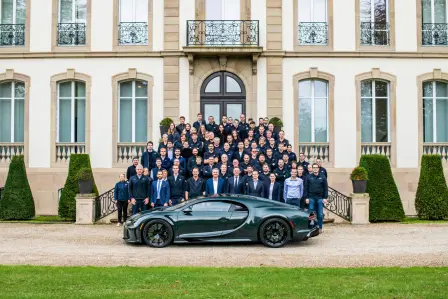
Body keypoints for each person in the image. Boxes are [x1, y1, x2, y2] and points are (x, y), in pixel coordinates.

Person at [304, 163, 328, 233]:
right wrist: (306, 198)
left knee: (320, 214)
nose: (315, 168)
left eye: (316, 167)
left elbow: (325, 188)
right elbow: (306, 188)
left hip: (320, 198)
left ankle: (320, 227)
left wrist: (325, 198)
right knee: (311, 214)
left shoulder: (323, 177)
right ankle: (313, 228)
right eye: (313, 167)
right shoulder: (308, 177)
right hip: (311, 198)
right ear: (312, 168)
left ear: (318, 168)